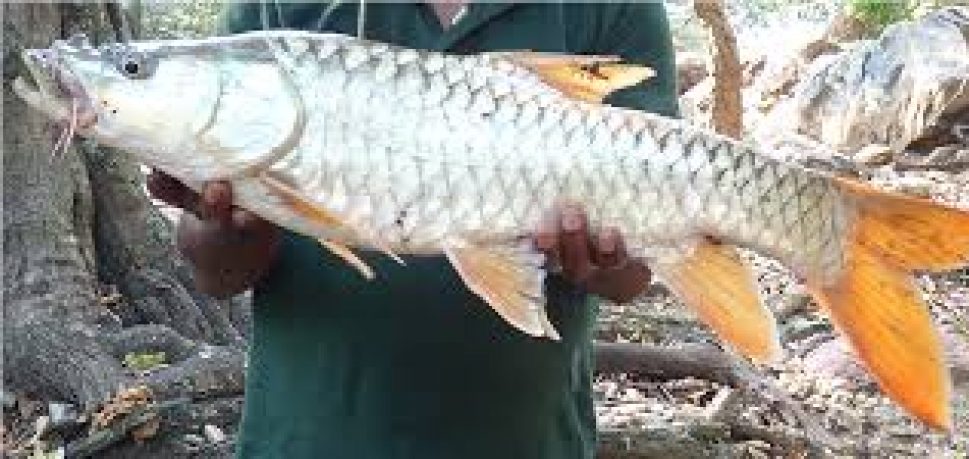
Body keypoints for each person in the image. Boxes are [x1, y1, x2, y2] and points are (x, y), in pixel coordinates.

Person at [147, 2, 680, 458]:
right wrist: (233, 219)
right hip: (308, 438)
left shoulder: (614, 8)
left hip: (525, 440)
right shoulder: (273, 15)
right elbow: (216, 274)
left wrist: (598, 257)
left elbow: (632, 278)